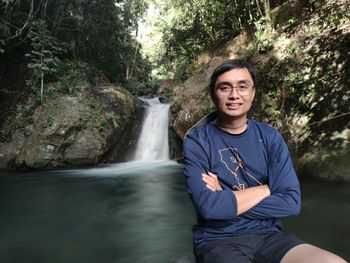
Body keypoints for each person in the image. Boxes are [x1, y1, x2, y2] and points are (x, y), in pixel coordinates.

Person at [183, 59, 347, 263]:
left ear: (253, 92)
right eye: (225, 88)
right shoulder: (197, 141)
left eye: (242, 87)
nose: (234, 95)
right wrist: (267, 189)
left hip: (270, 237)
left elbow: (291, 203)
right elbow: (209, 208)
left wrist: (227, 198)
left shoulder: (270, 137)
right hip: (218, 240)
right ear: (214, 93)